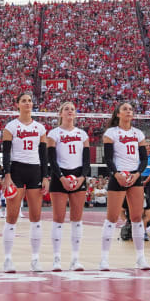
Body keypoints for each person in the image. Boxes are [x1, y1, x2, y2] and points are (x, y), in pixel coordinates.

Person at [1, 93, 49, 272]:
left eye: (30, 100)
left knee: (36, 216)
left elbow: (44, 155)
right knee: (12, 216)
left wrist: (45, 176)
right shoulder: (11, 126)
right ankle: (7, 259)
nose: (27, 103)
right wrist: (7, 174)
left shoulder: (40, 128)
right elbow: (6, 153)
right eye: (24, 101)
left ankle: (35, 259)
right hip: (16, 170)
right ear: (17, 104)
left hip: (35, 170)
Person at [99, 102, 149, 270]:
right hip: (118, 175)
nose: (128, 111)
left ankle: (140, 258)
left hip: (135, 176)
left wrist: (137, 174)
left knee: (137, 217)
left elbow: (143, 159)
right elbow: (108, 158)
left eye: (130, 109)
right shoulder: (111, 133)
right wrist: (116, 174)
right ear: (118, 114)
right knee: (112, 217)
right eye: (125, 109)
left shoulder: (138, 133)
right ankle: (104, 259)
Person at [47, 101, 90, 271]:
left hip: (78, 174)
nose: (70, 111)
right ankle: (56, 259)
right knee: (58, 218)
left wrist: (82, 177)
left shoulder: (82, 134)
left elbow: (87, 160)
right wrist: (62, 177)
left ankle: (75, 259)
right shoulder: (53, 134)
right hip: (60, 176)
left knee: (77, 218)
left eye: (72, 109)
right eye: (66, 109)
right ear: (60, 114)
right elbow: (51, 159)